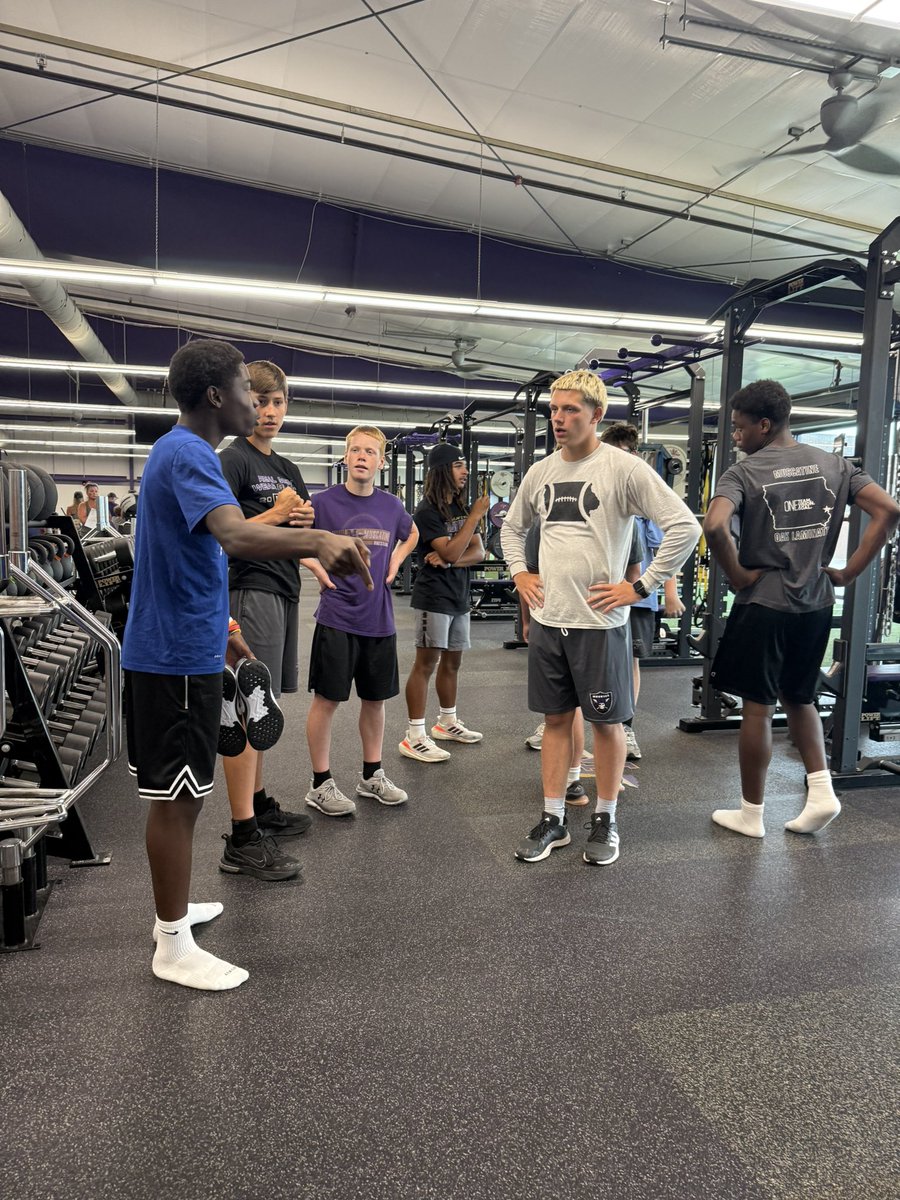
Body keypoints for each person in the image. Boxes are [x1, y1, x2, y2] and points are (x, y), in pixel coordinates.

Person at [122, 338, 372, 992]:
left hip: (188, 644)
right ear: (214, 396)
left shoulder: (181, 454)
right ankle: (172, 943)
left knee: (187, 792)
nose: (255, 403)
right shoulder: (190, 455)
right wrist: (317, 537)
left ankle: (171, 917)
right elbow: (234, 535)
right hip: (172, 659)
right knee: (176, 800)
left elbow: (192, 558)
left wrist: (227, 634)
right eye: (244, 391)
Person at [501, 369, 700, 866]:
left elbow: (684, 526)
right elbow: (511, 528)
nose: (559, 420)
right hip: (551, 620)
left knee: (607, 724)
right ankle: (553, 818)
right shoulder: (541, 472)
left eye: (570, 410)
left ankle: (606, 819)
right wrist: (521, 575)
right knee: (553, 721)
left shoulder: (623, 469)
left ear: (597, 414)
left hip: (600, 625)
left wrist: (641, 586)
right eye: (554, 410)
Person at [703, 379, 900, 838]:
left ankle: (751, 814)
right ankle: (822, 793)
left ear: (765, 425)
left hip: (765, 603)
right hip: (815, 604)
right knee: (801, 696)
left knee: (757, 706)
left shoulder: (744, 472)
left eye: (739, 428)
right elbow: (889, 511)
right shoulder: (836, 465)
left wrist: (735, 574)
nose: (735, 437)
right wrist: (848, 572)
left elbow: (714, 525)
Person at [217, 359, 328, 881]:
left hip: (284, 589)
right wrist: (282, 514)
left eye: (278, 401)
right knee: (246, 710)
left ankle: (257, 806)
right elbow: (227, 533)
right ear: (243, 402)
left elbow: (299, 522)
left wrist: (305, 529)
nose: (269, 411)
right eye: (259, 401)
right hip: (249, 589)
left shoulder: (286, 467)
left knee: (265, 709)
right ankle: (241, 837)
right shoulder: (232, 459)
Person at [305, 425, 419, 814]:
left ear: (381, 462)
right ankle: (320, 784)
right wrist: (318, 571)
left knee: (375, 701)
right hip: (337, 616)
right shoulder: (322, 502)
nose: (361, 457)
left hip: (379, 619)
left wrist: (396, 562)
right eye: (355, 450)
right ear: (345, 457)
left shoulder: (392, 506)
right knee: (327, 701)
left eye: (370, 452)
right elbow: (289, 537)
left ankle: (372, 775)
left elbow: (412, 533)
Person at [600, 421, 687, 761]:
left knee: (629, 662)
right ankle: (562, 721)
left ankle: (626, 727)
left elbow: (666, 548)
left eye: (623, 455)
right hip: (600, 594)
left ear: (634, 455)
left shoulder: (644, 496)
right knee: (591, 663)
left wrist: (670, 592)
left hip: (637, 595)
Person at [399, 443, 489, 762]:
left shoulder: (460, 510)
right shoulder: (426, 512)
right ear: (441, 471)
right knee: (426, 664)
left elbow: (478, 552)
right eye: (458, 466)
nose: (465, 471)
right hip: (433, 597)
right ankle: (414, 735)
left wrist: (451, 558)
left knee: (453, 663)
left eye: (464, 465)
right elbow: (454, 550)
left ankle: (447, 722)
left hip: (458, 596)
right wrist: (475, 517)